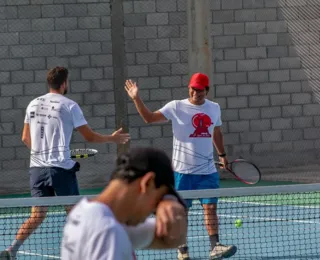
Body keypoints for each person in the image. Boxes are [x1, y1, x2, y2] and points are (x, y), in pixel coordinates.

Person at [0, 67, 130, 260]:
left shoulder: (32, 104)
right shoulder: (70, 105)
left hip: (37, 170)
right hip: (60, 170)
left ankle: (11, 250)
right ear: (63, 84)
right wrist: (112, 139)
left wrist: (42, 154)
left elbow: (25, 138)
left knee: (37, 215)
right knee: (76, 213)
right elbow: (90, 137)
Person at [124, 73, 237, 259]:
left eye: (200, 90)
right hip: (182, 173)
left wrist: (222, 154)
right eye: (193, 88)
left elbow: (216, 132)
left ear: (206, 91)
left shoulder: (214, 108)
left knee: (210, 208)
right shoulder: (175, 106)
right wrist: (136, 98)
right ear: (189, 88)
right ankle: (182, 249)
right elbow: (149, 118)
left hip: (207, 172)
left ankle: (215, 246)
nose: (196, 92)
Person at [60, 147, 187, 259]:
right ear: (147, 183)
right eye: (157, 202)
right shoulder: (107, 231)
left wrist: (169, 200)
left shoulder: (87, 213)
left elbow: (173, 238)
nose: (153, 211)